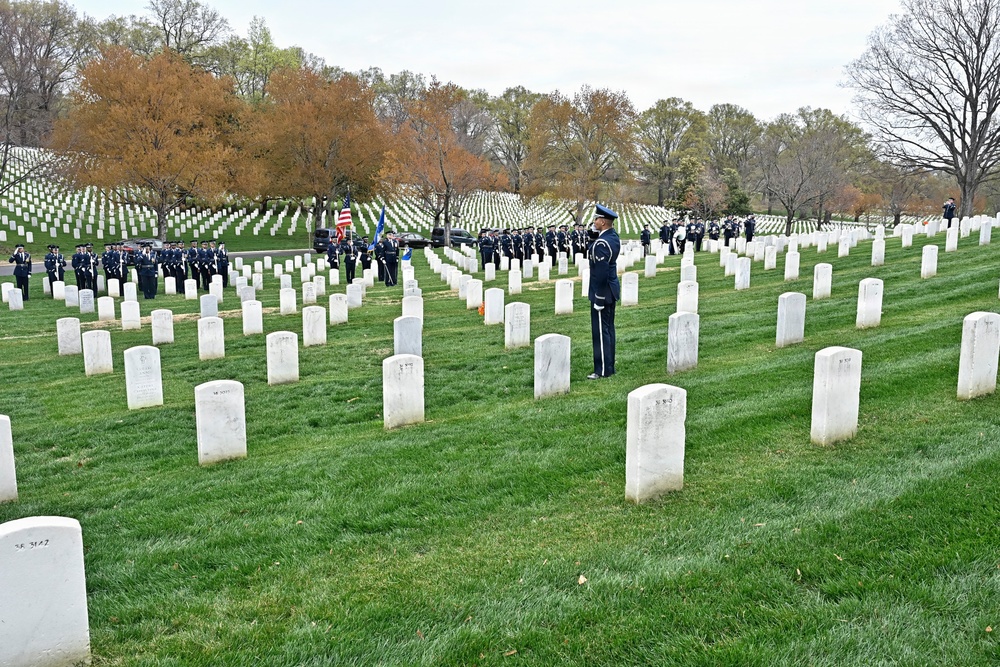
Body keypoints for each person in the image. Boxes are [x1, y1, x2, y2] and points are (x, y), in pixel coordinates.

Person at [587, 204, 620, 379]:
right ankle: (609, 367)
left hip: (602, 292)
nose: (594, 222)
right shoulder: (612, 237)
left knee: (600, 332)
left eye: (596, 219)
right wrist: (593, 237)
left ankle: (602, 370)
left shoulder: (602, 244)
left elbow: (601, 273)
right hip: (611, 290)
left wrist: (598, 297)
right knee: (608, 330)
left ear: (603, 222)